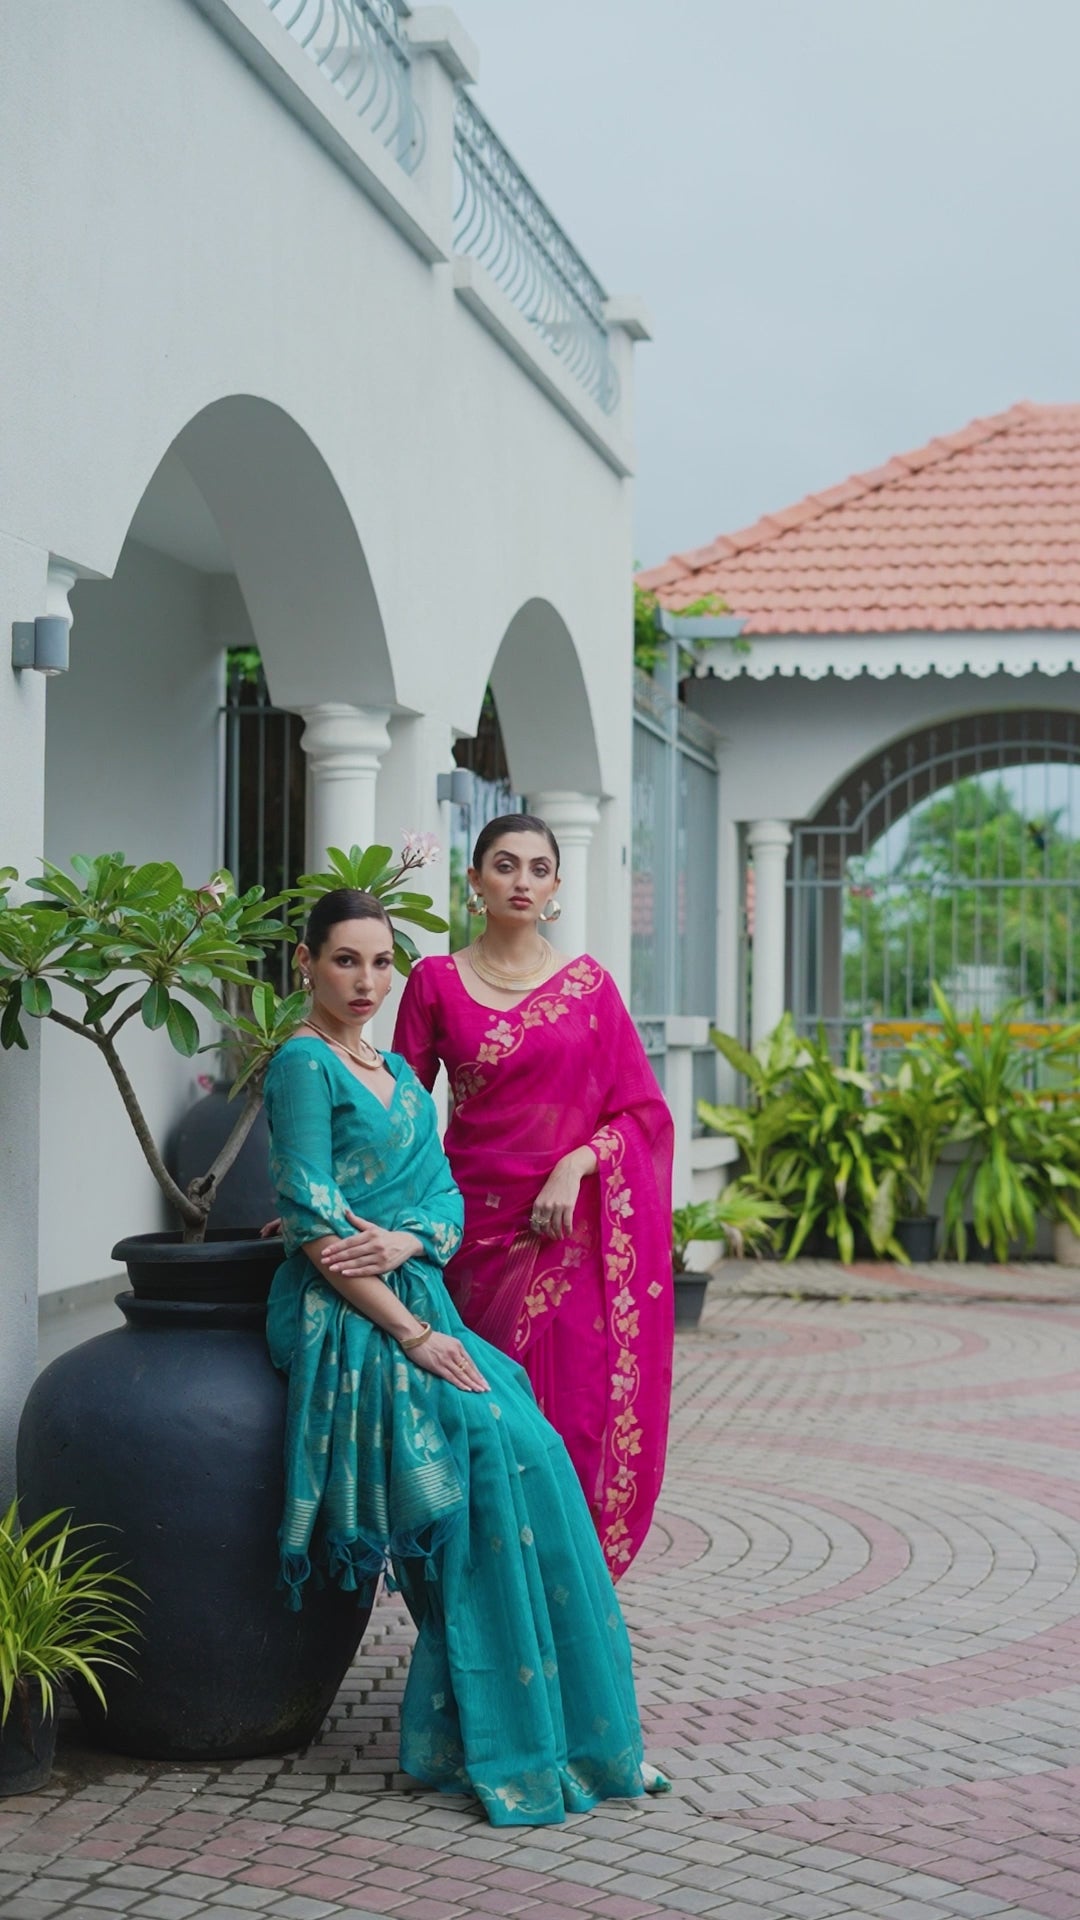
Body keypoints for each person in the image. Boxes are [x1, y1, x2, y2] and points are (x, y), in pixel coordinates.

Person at [262, 886, 668, 1826]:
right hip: (347, 1318)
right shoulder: (303, 1067)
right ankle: (497, 1736)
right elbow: (319, 1232)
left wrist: (410, 1245)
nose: (364, 981)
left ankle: (578, 1735)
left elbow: (443, 1205)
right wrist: (413, 1329)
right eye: (343, 961)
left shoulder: (401, 1082)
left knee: (534, 1447)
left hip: (416, 1292)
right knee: (485, 1443)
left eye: (378, 963)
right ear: (307, 965)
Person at [372, 814, 674, 1581]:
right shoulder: (434, 983)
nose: (522, 881)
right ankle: (486, 1601)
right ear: (474, 882)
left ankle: (567, 1600)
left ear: (556, 889)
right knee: (479, 1426)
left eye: (539, 869)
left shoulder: (590, 990)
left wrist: (577, 1164)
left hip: (567, 1235)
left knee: (569, 1415)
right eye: (505, 866)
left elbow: (641, 1114)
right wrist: (347, 1204)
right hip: (469, 1232)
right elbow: (401, 1111)